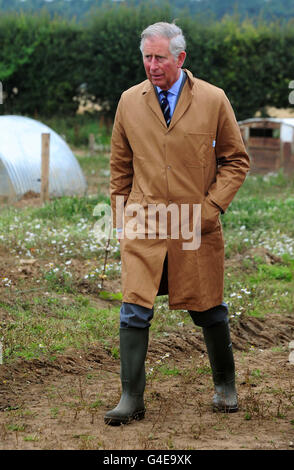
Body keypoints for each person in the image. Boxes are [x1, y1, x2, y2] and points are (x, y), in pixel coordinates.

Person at [105, 21, 250, 426]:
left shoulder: (213, 99)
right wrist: (122, 218)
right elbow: (120, 166)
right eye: (147, 57)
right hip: (145, 223)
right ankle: (131, 398)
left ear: (180, 58)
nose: (152, 65)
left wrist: (210, 209)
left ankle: (225, 387)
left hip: (195, 224)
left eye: (160, 58)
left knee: (209, 310)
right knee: (133, 310)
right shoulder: (129, 102)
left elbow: (236, 161)